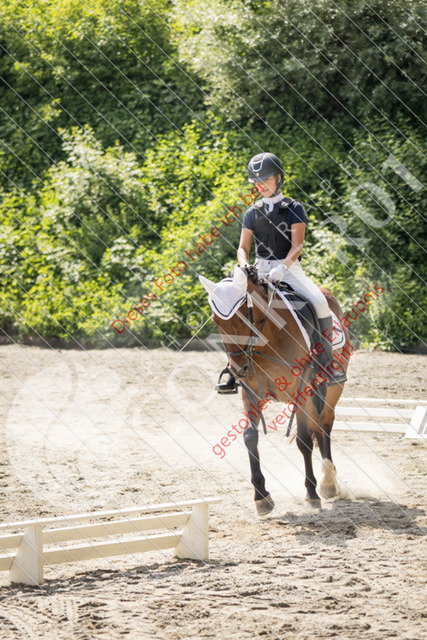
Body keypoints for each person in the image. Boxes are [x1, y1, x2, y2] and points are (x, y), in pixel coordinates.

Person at [215, 151, 347, 393]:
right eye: (257, 182)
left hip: (289, 269)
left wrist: (282, 267)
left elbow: (297, 245)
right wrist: (244, 265)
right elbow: (243, 248)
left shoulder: (294, 208)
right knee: (234, 308)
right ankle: (233, 371)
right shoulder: (251, 212)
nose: (261, 185)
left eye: (265, 180)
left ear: (279, 178)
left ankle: (327, 364)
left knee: (319, 302)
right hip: (257, 270)